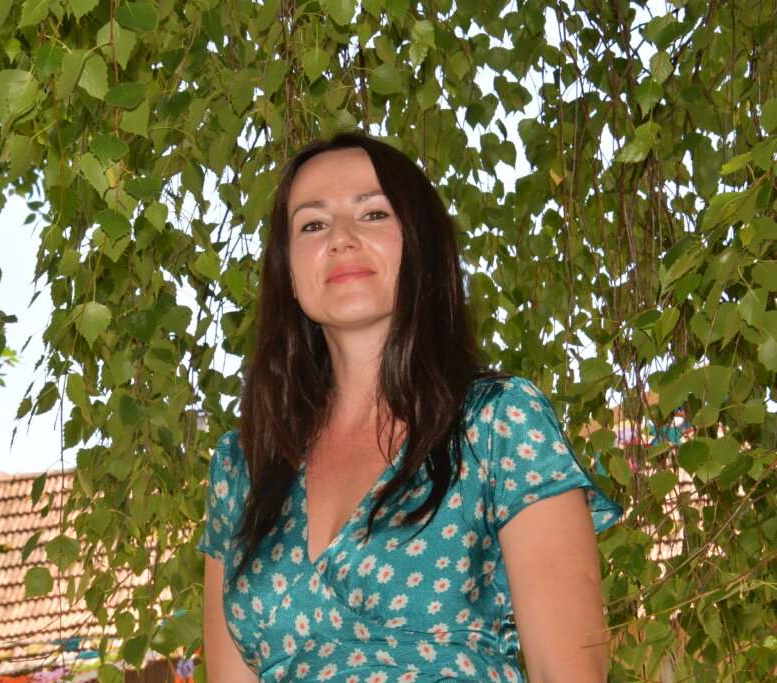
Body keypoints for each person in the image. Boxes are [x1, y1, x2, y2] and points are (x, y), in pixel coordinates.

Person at [199, 133, 621, 683]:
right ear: (289, 273)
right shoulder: (244, 465)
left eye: (373, 214)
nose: (341, 239)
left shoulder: (499, 421)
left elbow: (568, 670)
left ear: (421, 245)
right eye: (313, 225)